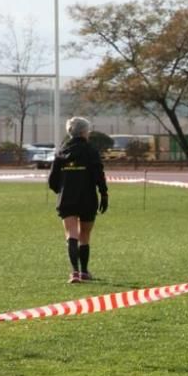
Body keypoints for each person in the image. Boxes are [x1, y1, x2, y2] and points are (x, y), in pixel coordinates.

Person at [48, 116, 108, 284]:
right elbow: (99, 174)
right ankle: (84, 271)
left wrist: (62, 190)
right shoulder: (91, 151)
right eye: (88, 130)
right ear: (83, 132)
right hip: (87, 198)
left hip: (67, 198)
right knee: (85, 235)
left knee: (71, 234)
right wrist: (104, 194)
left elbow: (52, 180)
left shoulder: (61, 152)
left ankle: (74, 272)